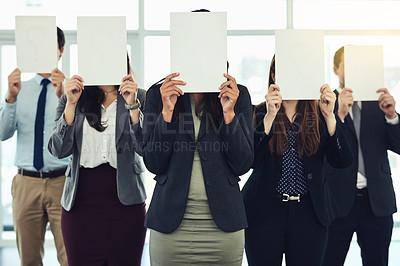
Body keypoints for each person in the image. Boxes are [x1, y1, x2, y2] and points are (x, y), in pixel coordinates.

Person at [242, 56, 352, 266]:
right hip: (265, 211)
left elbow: (343, 160)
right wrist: (269, 118)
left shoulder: (320, 113)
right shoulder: (258, 112)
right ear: (274, 76)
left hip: (310, 212)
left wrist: (330, 117)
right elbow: (249, 161)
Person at [141, 71, 253, 265]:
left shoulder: (237, 94)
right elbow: (153, 163)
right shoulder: (158, 93)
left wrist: (229, 114)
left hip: (224, 224)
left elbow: (242, 163)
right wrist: (166, 113)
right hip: (170, 222)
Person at [47, 57, 147, 266]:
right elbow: (58, 149)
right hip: (80, 206)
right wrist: (71, 105)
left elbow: (145, 148)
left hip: (126, 206)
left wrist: (132, 108)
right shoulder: (72, 97)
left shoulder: (140, 97)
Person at [322, 47, 400, 266]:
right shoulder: (326, 103)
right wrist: (338, 116)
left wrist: (392, 116)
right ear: (336, 69)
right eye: (349, 65)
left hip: (376, 201)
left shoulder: (380, 103)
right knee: (329, 261)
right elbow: (319, 148)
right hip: (337, 201)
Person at [0, 27, 68, 266]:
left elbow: (78, 136)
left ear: (61, 50)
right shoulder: (18, 89)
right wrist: (10, 98)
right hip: (26, 183)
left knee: (70, 258)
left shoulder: (72, 91)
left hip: (63, 182)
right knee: (28, 260)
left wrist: (64, 97)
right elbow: (2, 133)